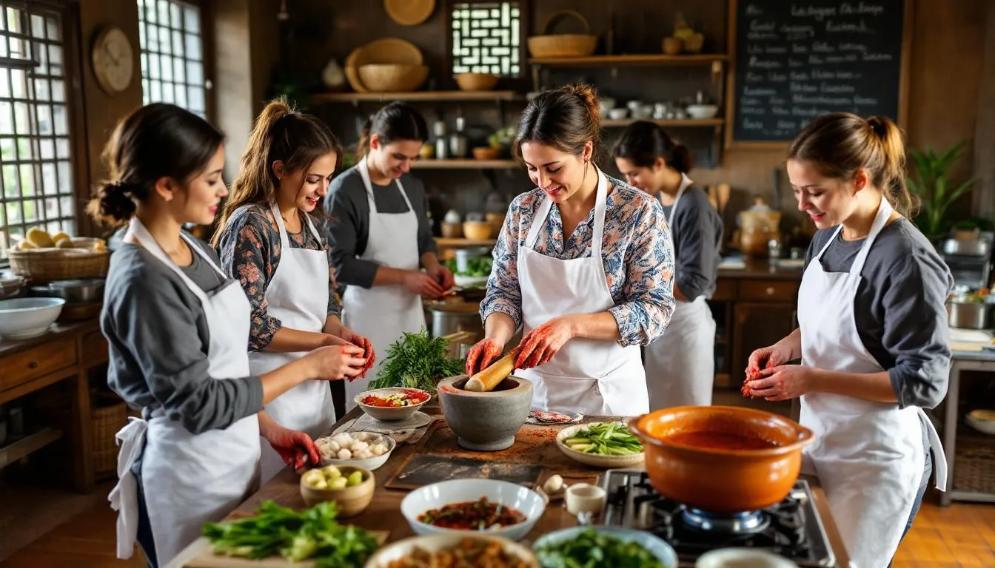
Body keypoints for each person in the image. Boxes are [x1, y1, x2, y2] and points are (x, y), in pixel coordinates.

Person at [96, 104, 365, 566]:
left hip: (236, 456)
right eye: (211, 178)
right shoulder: (143, 278)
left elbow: (225, 363)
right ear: (166, 186)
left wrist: (269, 429)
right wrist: (308, 365)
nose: (224, 189)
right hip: (189, 476)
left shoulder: (192, 248)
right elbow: (198, 402)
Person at [744, 113, 949, 567]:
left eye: (815, 191)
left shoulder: (906, 258)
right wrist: (787, 345)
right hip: (821, 440)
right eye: (797, 190)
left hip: (875, 460)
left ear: (858, 180)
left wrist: (812, 379)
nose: (803, 204)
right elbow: (834, 324)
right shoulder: (827, 238)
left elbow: (925, 382)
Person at [464, 84, 676, 416]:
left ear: (586, 151)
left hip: (607, 400)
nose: (542, 181)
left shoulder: (637, 212)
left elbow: (654, 311)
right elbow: (504, 291)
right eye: (531, 168)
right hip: (533, 395)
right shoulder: (523, 210)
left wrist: (571, 326)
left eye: (553, 168)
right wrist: (495, 337)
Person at [214, 99, 373, 482]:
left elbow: (328, 302)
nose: (324, 189)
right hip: (268, 396)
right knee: (278, 493)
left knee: (321, 488)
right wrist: (323, 345)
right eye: (314, 179)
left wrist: (340, 333)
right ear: (280, 169)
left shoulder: (312, 225)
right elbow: (250, 327)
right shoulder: (252, 226)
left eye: (329, 178)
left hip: (314, 395)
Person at [325, 102, 453, 409]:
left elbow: (424, 239)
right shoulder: (344, 190)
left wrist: (433, 266)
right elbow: (340, 265)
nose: (406, 167)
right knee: (369, 406)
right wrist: (405, 278)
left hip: (410, 317)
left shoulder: (411, 186)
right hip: (366, 323)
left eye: (413, 158)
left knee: (415, 403)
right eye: (399, 156)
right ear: (374, 143)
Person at [613, 122, 722, 408]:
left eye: (634, 173)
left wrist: (641, 286)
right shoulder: (660, 199)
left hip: (685, 331)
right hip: (664, 328)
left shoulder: (694, 205)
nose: (630, 182)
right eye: (625, 175)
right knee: (657, 413)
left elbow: (692, 284)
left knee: (686, 416)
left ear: (659, 163)